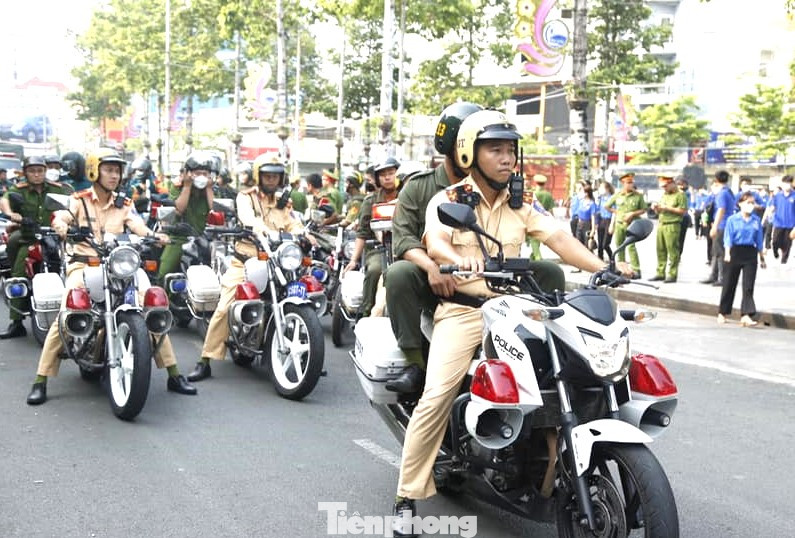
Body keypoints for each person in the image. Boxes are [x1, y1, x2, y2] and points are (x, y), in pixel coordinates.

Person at [391, 110, 631, 536]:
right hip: (466, 311)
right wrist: (457, 259)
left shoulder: (522, 202)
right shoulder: (449, 199)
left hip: (521, 308)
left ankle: (552, 469)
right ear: (469, 153)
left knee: (571, 375)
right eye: (494, 150)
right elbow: (437, 242)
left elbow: (558, 238)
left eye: (510, 150)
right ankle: (407, 494)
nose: (506, 159)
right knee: (437, 394)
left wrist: (603, 267)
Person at [25, 148, 196, 405]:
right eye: (108, 170)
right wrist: (62, 227)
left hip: (120, 265)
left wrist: (153, 235)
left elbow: (136, 224)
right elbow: (61, 216)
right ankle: (40, 380)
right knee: (65, 314)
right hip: (84, 265)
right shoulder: (79, 199)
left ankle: (173, 373)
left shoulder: (124, 203)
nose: (114, 175)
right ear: (95, 170)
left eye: (117, 170)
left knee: (151, 308)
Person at [384, 101, 484, 393]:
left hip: (486, 278)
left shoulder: (493, 188)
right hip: (434, 281)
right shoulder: (419, 187)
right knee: (399, 273)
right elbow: (403, 241)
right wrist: (432, 268)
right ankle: (416, 362)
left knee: (548, 273)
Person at [186, 154, 305, 382]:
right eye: (267, 175)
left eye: (275, 176)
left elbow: (293, 223)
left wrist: (304, 234)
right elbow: (248, 219)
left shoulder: (283, 202)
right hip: (247, 261)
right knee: (223, 308)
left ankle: (307, 353)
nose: (271, 180)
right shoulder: (245, 197)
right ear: (258, 176)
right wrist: (265, 231)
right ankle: (205, 360)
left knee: (302, 294)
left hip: (278, 261)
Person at [0, 156, 70, 339]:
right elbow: (5, 200)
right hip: (30, 238)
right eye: (32, 171)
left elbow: (74, 203)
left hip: (57, 239)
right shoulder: (19, 190)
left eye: (40, 170)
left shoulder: (57, 188)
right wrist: (10, 214)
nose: (37, 174)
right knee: (19, 273)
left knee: (75, 270)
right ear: (25, 173)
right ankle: (16, 322)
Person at [343, 157, 400, 318]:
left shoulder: (407, 197)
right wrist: (353, 260)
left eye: (391, 173)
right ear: (377, 179)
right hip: (378, 249)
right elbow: (362, 233)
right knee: (376, 270)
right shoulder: (371, 201)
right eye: (383, 175)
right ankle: (366, 310)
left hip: (404, 247)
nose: (388, 177)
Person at [157, 153, 214, 281]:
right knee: (164, 272)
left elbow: (214, 210)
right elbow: (179, 210)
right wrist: (187, 186)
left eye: (205, 174)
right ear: (187, 173)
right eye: (197, 173)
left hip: (205, 239)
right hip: (179, 237)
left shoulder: (211, 188)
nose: (201, 177)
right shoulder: (178, 186)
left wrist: (209, 189)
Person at [718, 192, 766, 327]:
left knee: (748, 285)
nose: (750, 206)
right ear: (740, 204)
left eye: (752, 203)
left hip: (750, 253)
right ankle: (723, 311)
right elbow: (728, 238)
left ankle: (746, 314)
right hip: (735, 252)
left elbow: (759, 240)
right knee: (729, 284)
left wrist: (762, 258)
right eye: (747, 203)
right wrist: (727, 253)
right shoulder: (732, 220)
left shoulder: (756, 220)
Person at [604, 173, 646, 279]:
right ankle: (622, 269)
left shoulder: (638, 196)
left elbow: (644, 209)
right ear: (623, 183)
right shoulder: (618, 195)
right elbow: (607, 206)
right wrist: (617, 212)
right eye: (628, 182)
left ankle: (636, 269)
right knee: (619, 247)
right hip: (619, 224)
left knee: (631, 247)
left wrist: (632, 213)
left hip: (632, 224)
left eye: (632, 182)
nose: (631, 184)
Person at [649, 175, 687, 283]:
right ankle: (660, 272)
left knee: (673, 250)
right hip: (661, 223)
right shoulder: (664, 195)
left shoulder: (680, 195)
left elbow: (683, 211)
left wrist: (667, 208)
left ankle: (672, 274)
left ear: (672, 183)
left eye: (665, 186)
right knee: (660, 249)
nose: (664, 188)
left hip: (673, 224)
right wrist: (656, 208)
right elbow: (660, 211)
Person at [701, 170, 735, 286]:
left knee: (720, 252)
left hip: (722, 225)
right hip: (725, 224)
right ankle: (713, 275)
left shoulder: (722, 193)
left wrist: (714, 226)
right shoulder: (729, 192)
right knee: (715, 251)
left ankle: (721, 278)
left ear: (716, 179)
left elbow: (721, 210)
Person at [763, 175, 795, 264]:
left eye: (788, 183)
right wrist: (770, 212)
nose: (787, 185)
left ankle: (783, 261)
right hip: (778, 223)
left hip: (790, 224)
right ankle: (775, 251)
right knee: (775, 241)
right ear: (782, 184)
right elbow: (773, 206)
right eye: (785, 183)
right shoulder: (777, 195)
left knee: (787, 243)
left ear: (791, 184)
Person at [527, 173, 555, 260]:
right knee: (537, 241)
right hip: (543, 221)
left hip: (532, 220)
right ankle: (533, 258)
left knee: (534, 241)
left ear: (535, 182)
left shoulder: (532, 194)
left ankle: (538, 258)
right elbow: (550, 211)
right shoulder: (548, 195)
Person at [574, 182, 597, 252]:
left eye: (583, 192)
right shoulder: (581, 202)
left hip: (588, 224)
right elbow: (579, 214)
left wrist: (593, 229)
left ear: (587, 193)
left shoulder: (592, 204)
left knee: (587, 245)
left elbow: (593, 217)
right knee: (579, 243)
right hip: (580, 224)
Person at [596, 181, 615, 261]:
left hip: (609, 220)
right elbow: (598, 211)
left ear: (607, 189)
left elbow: (615, 212)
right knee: (600, 244)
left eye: (601, 188)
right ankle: (600, 260)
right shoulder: (600, 198)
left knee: (605, 244)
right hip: (601, 220)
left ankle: (612, 259)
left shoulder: (612, 198)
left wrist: (612, 225)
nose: (599, 189)